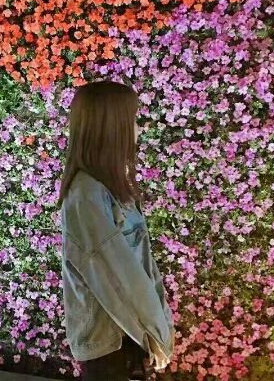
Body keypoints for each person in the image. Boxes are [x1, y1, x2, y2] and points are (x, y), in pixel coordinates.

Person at [57, 80, 175, 380]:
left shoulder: (107, 187)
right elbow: (114, 272)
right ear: (111, 128)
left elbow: (140, 265)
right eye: (132, 120)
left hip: (127, 336)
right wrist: (153, 331)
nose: (138, 129)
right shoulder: (87, 195)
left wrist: (157, 327)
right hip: (111, 346)